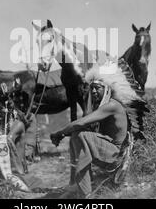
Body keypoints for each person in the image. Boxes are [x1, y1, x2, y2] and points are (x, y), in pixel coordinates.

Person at [50, 64, 140, 198]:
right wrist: (64, 134)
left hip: (115, 156)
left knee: (81, 136)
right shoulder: (104, 106)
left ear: (107, 89)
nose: (93, 92)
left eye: (97, 88)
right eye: (91, 88)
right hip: (108, 152)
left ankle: (85, 192)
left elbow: (81, 122)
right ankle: (83, 185)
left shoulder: (112, 105)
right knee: (77, 135)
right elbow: (82, 126)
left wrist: (59, 133)